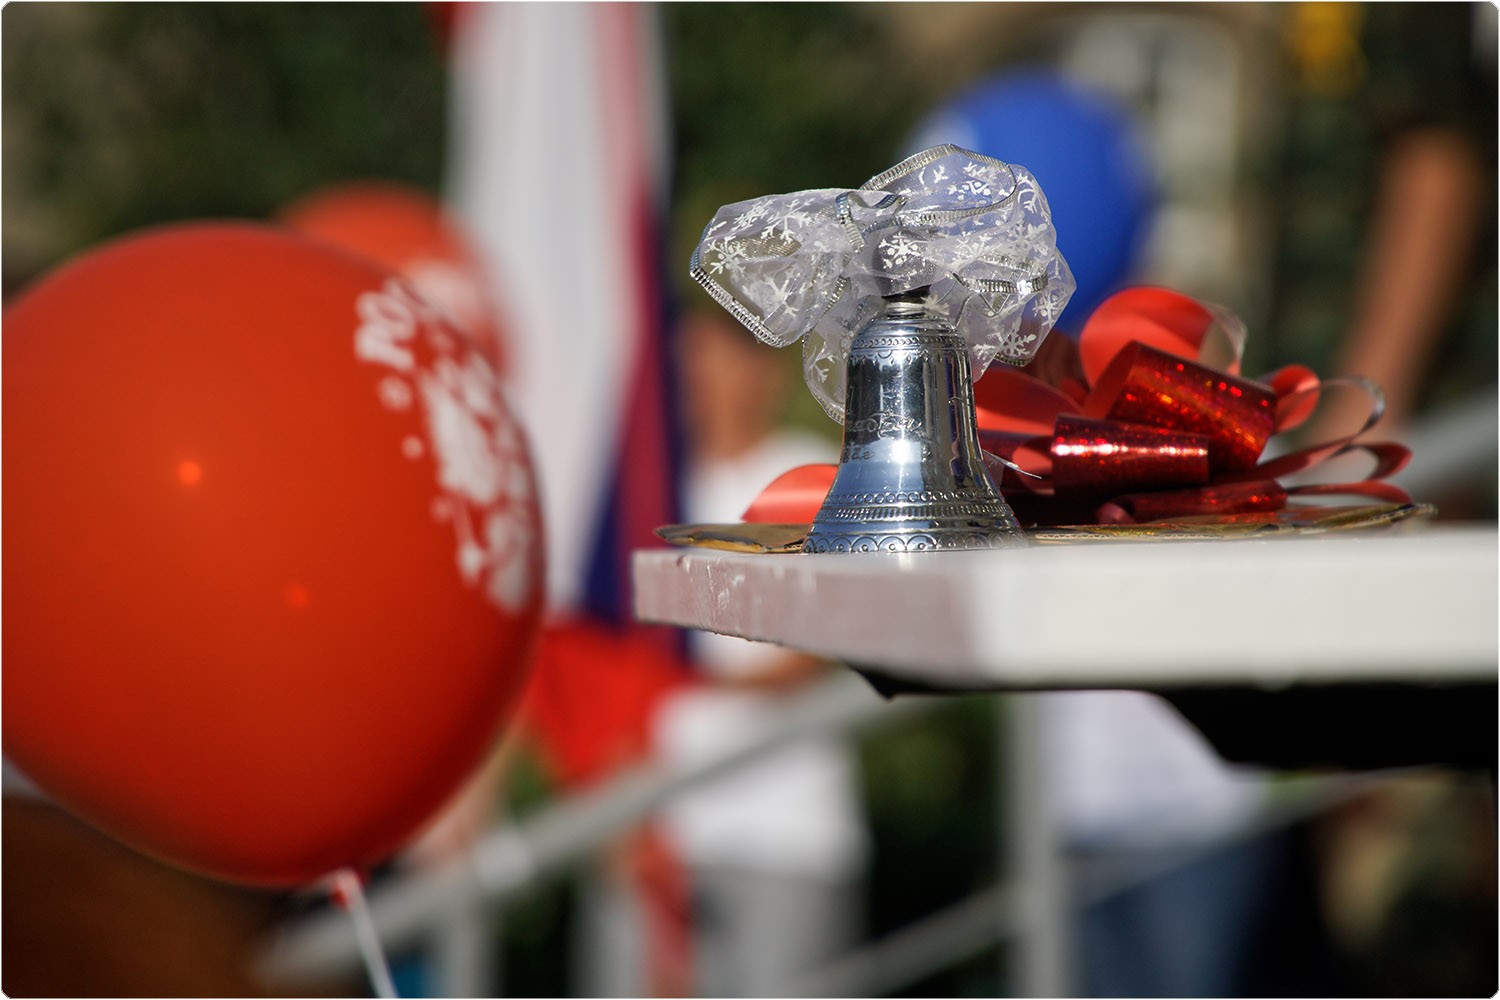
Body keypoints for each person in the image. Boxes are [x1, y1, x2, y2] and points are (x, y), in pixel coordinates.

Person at [649, 308, 870, 998]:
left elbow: (813, 643)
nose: (692, 378)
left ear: (759, 371)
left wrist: (677, 679)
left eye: (710, 358)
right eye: (683, 361)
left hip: (787, 834)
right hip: (664, 837)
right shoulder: (649, 487)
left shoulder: (802, 475)